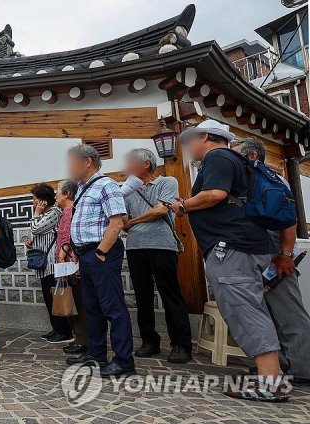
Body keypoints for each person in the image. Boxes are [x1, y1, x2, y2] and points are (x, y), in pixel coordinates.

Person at [169, 120, 285, 401]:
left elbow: (215, 194)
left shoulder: (218, 156)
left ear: (205, 137)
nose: (187, 147)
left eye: (190, 140)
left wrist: (183, 206)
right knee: (248, 308)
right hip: (241, 246)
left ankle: (271, 384)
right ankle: (269, 376)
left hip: (232, 248)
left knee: (245, 311)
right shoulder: (234, 160)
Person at [230, 137, 310, 386]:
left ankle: (303, 369)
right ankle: (282, 366)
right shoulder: (248, 183)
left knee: (290, 315)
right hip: (256, 259)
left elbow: (289, 220)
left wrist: (285, 255)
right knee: (267, 316)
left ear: (252, 157)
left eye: (237, 156)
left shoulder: (273, 181)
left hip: (276, 258)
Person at [65, 144, 135, 378]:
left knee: (112, 307)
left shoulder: (106, 185)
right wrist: (77, 249)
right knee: (92, 308)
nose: (69, 166)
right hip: (87, 255)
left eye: (73, 161)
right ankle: (96, 355)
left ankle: (124, 361)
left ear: (87, 162)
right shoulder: (82, 189)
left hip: (101, 253)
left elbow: (117, 221)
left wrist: (101, 251)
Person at [122, 148, 192, 364]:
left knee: (170, 294)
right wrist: (130, 221)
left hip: (162, 245)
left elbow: (161, 210)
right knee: (142, 296)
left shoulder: (167, 182)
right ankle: (149, 341)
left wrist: (133, 222)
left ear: (145, 164)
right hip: (135, 247)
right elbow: (123, 222)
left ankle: (181, 344)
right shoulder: (127, 190)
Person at [25, 183, 71, 344]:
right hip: (44, 264)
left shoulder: (54, 212)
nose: (33, 202)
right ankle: (57, 328)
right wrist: (32, 242)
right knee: (48, 297)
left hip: (51, 263)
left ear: (43, 201)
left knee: (56, 298)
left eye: (35, 199)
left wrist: (36, 213)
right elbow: (37, 232)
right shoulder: (45, 214)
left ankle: (64, 331)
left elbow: (36, 228)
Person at [54, 180, 88, 355]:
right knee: (77, 303)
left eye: (58, 192)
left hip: (70, 265)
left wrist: (61, 258)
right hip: (72, 264)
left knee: (78, 304)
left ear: (67, 194)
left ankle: (82, 340)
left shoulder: (69, 210)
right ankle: (80, 339)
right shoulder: (67, 210)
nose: (55, 195)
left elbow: (67, 236)